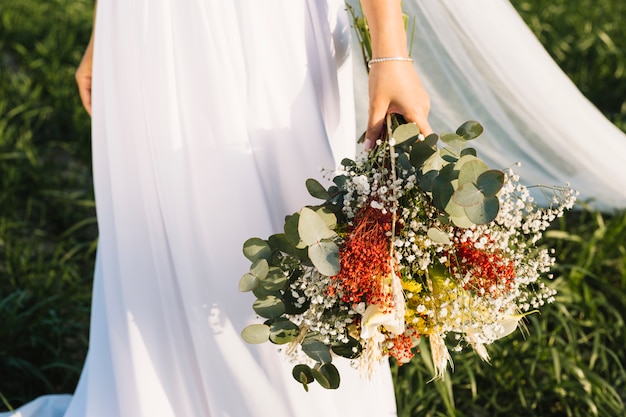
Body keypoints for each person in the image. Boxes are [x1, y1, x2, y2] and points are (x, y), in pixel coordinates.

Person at [2, 1, 432, 416]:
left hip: (256, 29)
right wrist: (105, 28)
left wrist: (390, 49)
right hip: (139, 25)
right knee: (154, 231)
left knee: (286, 240)